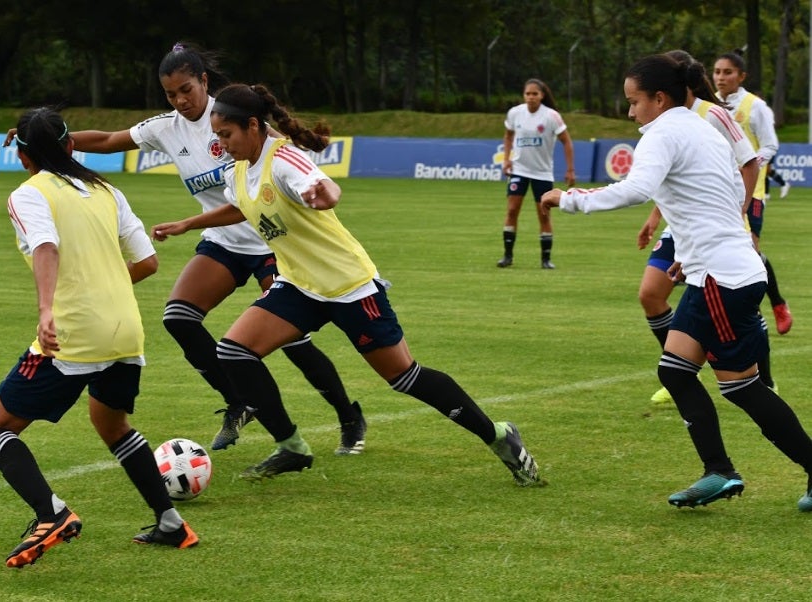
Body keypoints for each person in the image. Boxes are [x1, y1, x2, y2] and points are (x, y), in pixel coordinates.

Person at [152, 82, 543, 486]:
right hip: (299, 286)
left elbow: (319, 184)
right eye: (217, 137)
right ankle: (292, 446)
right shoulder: (237, 168)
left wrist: (325, 194)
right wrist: (189, 223)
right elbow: (238, 207)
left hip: (348, 287)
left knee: (403, 377)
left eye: (226, 135)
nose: (221, 144)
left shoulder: (284, 159)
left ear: (253, 126)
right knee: (235, 352)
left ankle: (498, 436)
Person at [44, 43, 366, 455]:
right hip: (223, 242)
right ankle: (238, 401)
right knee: (178, 317)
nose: (180, 101)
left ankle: (348, 416)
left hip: (271, 242)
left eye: (186, 90)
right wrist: (53, 139)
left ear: (204, 82)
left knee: (293, 339)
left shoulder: (234, 114)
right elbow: (109, 138)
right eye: (170, 94)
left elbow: (287, 162)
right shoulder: (166, 128)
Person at [540, 54, 812, 511]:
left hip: (724, 280)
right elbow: (723, 194)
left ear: (659, 98)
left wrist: (568, 199)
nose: (630, 112)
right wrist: (689, 256)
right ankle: (719, 471)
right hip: (715, 273)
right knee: (674, 370)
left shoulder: (664, 132)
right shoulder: (699, 126)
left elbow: (634, 189)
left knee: (742, 387)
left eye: (634, 102)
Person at [0, 107, 198, 569]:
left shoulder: (28, 193)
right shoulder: (107, 191)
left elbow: (46, 246)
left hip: (76, 332)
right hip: (126, 331)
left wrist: (46, 310)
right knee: (111, 425)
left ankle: (50, 514)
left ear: (21, 156)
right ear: (71, 145)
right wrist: (105, 289)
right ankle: (171, 521)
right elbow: (148, 261)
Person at [637, 49, 763, 404]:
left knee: (740, 305)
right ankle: (677, 368)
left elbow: (749, 163)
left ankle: (757, 376)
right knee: (650, 293)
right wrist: (653, 218)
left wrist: (738, 215)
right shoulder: (660, 124)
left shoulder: (714, 115)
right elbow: (671, 181)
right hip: (681, 226)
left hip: (717, 226)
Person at [714, 50, 792, 335]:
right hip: (719, 189)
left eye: (728, 72)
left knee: (749, 251)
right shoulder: (709, 106)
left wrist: (749, 165)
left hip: (751, 189)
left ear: (741, 76)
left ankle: (773, 306)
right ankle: (753, 312)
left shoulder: (755, 106)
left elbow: (770, 145)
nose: (721, 77)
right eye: (717, 72)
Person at [497, 78, 575, 269]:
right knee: (512, 210)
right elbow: (508, 136)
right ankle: (507, 256)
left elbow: (567, 141)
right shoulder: (515, 113)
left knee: (544, 214)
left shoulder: (551, 116)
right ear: (523, 95)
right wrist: (507, 159)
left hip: (542, 173)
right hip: (519, 170)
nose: (531, 97)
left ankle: (546, 259)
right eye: (528, 94)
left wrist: (570, 169)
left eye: (535, 94)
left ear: (542, 95)